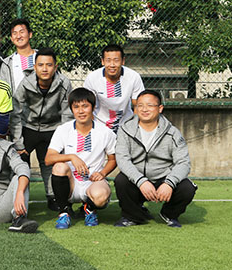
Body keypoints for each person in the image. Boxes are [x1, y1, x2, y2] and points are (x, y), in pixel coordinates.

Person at [114, 90, 197, 228]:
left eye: (150, 105)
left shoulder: (173, 132)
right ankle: (132, 216)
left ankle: (169, 214)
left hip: (163, 179)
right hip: (137, 180)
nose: (144, 109)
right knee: (121, 181)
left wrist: (169, 183)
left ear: (160, 108)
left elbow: (183, 162)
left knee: (187, 188)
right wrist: (141, 181)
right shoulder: (125, 129)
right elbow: (122, 159)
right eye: (140, 105)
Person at [10, 48, 73, 211]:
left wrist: (63, 140)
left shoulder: (64, 83)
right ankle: (19, 199)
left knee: (49, 164)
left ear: (55, 67)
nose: (45, 69)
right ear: (35, 67)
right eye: (40, 65)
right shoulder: (26, 83)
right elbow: (15, 113)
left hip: (52, 128)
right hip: (28, 126)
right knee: (20, 162)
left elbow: (67, 114)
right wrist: (18, 142)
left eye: (49, 65)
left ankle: (53, 197)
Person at [46, 88, 117, 229]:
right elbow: (48, 158)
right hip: (70, 183)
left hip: (92, 182)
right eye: (76, 107)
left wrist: (102, 173)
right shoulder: (63, 129)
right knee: (59, 167)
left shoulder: (105, 132)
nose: (81, 111)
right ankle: (64, 213)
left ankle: (89, 209)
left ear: (93, 107)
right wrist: (72, 157)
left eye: (85, 106)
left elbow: (113, 159)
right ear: (71, 109)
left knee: (101, 196)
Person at [83, 44, 144, 134]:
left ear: (123, 61)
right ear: (102, 61)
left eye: (116, 60)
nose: (112, 65)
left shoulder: (133, 77)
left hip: (125, 124)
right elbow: (87, 106)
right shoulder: (92, 78)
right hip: (100, 125)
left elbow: (138, 105)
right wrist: (94, 128)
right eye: (108, 60)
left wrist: (132, 127)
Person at [0, 18, 36, 92]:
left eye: (22, 32)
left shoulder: (43, 58)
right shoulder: (7, 64)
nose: (18, 36)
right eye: (14, 33)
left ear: (30, 34)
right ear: (11, 38)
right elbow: (3, 89)